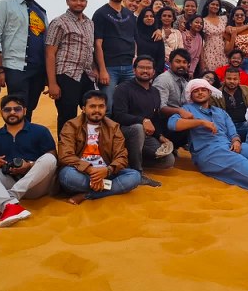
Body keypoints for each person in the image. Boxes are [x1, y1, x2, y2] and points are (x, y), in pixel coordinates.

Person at [0, 94, 58, 227]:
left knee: (49, 158)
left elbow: (53, 156)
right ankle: (9, 204)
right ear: (1, 112)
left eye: (17, 109)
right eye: (7, 110)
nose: (12, 112)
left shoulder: (40, 131)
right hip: (8, 182)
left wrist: (29, 165)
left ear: (24, 111)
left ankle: (7, 200)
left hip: (36, 185)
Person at [57, 90, 141, 204]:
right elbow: (65, 156)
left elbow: (121, 156)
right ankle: (104, 188)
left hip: (106, 173)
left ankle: (88, 195)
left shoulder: (113, 127)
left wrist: (107, 170)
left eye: (101, 106)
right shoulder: (71, 125)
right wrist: (90, 170)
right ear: (83, 108)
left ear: (105, 108)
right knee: (67, 175)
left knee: (134, 176)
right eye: (92, 106)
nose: (97, 110)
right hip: (81, 173)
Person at [0, 0, 48, 121]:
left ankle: (25, 135)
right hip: (15, 67)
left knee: (29, 109)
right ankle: (13, 135)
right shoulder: (5, 5)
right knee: (17, 108)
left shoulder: (41, 12)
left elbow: (45, 41)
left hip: (38, 70)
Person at [112, 56, 172, 187]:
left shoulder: (155, 92)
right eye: (141, 67)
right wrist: (142, 120)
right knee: (138, 128)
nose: (145, 71)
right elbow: (118, 115)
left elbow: (155, 119)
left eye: (148, 68)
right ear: (134, 70)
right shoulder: (123, 88)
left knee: (168, 160)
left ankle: (130, 161)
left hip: (146, 136)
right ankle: (137, 172)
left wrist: (160, 136)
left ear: (154, 71)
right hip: (124, 133)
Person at [46, 0, 97, 134]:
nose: (78, 3)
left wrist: (95, 69)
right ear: (67, 1)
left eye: (82, 0)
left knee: (93, 113)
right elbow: (49, 53)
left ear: (86, 2)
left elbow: (90, 49)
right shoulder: (59, 22)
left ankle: (89, 146)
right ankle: (65, 148)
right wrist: (52, 83)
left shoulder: (89, 23)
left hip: (87, 74)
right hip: (66, 74)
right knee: (67, 116)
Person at [92, 0, 136, 107]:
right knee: (108, 106)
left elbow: (134, 39)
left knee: (130, 104)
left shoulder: (130, 15)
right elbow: (97, 44)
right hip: (110, 68)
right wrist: (102, 69)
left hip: (129, 67)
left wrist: (135, 58)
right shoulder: (100, 14)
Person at [154, 48, 193, 152]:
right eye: (178, 61)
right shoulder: (164, 79)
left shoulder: (184, 81)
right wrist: (179, 111)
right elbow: (160, 108)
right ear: (170, 63)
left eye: (184, 62)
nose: (181, 65)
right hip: (162, 124)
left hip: (177, 121)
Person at [212, 67, 248, 143]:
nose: (232, 81)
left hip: (245, 124)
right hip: (227, 127)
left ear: (239, 80)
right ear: (224, 79)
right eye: (229, 79)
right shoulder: (216, 94)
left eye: (235, 79)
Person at [224, 6, 248, 74]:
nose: (239, 16)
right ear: (233, 17)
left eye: (242, 15)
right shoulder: (229, 30)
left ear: (245, 17)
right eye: (237, 15)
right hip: (234, 61)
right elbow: (227, 51)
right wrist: (233, 36)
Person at [134, 8, 166, 73]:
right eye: (146, 16)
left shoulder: (157, 35)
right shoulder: (135, 34)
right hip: (136, 71)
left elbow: (161, 58)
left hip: (153, 72)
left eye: (151, 16)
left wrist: (155, 73)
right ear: (141, 18)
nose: (149, 18)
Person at [201, 0, 228, 70]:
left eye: (217, 5)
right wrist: (202, 61)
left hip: (223, 52)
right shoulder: (202, 21)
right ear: (207, 6)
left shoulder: (224, 19)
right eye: (213, 4)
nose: (215, 6)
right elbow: (201, 41)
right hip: (209, 52)